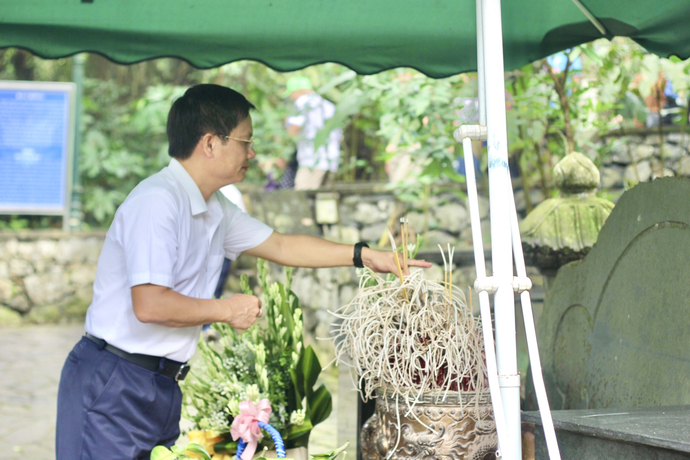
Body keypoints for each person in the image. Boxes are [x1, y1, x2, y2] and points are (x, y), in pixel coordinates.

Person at [55, 84, 430, 459]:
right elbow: (150, 305)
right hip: (115, 378)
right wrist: (226, 310)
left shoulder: (214, 207)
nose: (252, 153)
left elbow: (282, 246)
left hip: (159, 383)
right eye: (245, 141)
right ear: (210, 143)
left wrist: (366, 256)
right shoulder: (158, 202)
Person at [284, 76, 342, 190]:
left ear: (296, 91)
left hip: (311, 160)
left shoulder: (302, 103)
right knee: (325, 198)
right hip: (331, 159)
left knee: (303, 194)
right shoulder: (328, 105)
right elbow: (339, 136)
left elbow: (294, 130)